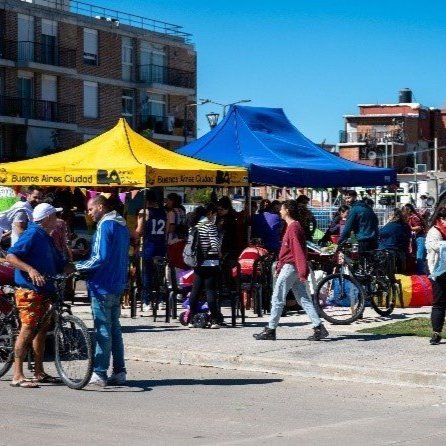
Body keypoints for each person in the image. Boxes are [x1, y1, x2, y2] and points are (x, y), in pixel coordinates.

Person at [6, 203, 68, 388]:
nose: (57, 220)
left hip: (45, 290)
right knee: (27, 330)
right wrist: (31, 270)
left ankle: (39, 372)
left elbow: (60, 264)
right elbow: (11, 256)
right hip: (30, 291)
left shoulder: (46, 237)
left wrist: (81, 267)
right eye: (55, 216)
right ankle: (17, 375)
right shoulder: (32, 234)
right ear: (47, 217)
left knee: (41, 331)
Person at [253, 200, 328, 341]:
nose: (280, 211)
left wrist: (302, 271)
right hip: (291, 266)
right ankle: (318, 327)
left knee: (277, 298)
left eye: (281, 209)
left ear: (287, 210)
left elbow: (297, 251)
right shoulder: (294, 226)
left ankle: (271, 329)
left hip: (290, 266)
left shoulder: (293, 228)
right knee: (303, 299)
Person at [75, 195, 130, 387]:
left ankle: (99, 372)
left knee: (103, 330)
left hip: (102, 284)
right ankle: (120, 371)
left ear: (100, 207)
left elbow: (99, 257)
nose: (89, 214)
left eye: (90, 209)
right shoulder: (122, 226)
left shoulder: (105, 226)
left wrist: (77, 266)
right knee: (115, 329)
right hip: (117, 283)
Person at [187, 203, 224, 329]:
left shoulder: (193, 227)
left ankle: (192, 318)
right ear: (208, 214)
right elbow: (214, 244)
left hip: (197, 262)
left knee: (195, 290)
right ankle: (214, 319)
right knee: (210, 290)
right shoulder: (210, 226)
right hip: (210, 262)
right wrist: (219, 251)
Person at [133, 191, 167, 311]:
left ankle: (146, 301)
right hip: (161, 246)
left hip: (148, 247)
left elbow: (139, 230)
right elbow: (166, 230)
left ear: (146, 201)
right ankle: (161, 300)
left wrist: (132, 234)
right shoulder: (163, 212)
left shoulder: (144, 212)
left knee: (146, 275)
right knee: (160, 275)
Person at [426, 206, 446, 345]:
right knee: (439, 302)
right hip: (439, 271)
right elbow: (435, 246)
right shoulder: (434, 231)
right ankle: (436, 332)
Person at [378, 208, 412, 274]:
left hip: (388, 253)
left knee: (388, 274)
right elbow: (408, 238)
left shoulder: (387, 227)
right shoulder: (406, 226)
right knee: (401, 275)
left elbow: (380, 236)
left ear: (392, 216)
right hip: (402, 253)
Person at [402, 203, 427, 275]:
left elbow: (419, 227)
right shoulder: (412, 216)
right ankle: (417, 271)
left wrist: (408, 228)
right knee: (416, 255)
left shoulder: (414, 217)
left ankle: (420, 272)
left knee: (420, 256)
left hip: (420, 237)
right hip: (417, 237)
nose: (404, 212)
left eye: (405, 210)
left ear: (408, 210)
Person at [216, 196, 239, 261]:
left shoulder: (230, 219)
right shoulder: (220, 218)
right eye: (218, 210)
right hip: (223, 247)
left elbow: (229, 236)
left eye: (221, 209)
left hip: (228, 249)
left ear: (227, 209)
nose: (219, 211)